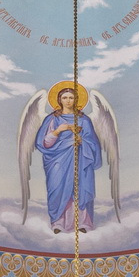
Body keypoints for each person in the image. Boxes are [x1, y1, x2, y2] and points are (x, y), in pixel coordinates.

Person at [35, 87, 102, 233]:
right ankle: (58, 222)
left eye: (71, 98)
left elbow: (93, 143)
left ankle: (83, 222)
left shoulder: (84, 120)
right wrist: (58, 130)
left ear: (76, 99)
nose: (68, 101)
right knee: (57, 188)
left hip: (81, 161)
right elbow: (44, 143)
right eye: (64, 98)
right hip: (57, 161)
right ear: (59, 100)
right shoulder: (52, 119)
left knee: (80, 188)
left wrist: (82, 141)